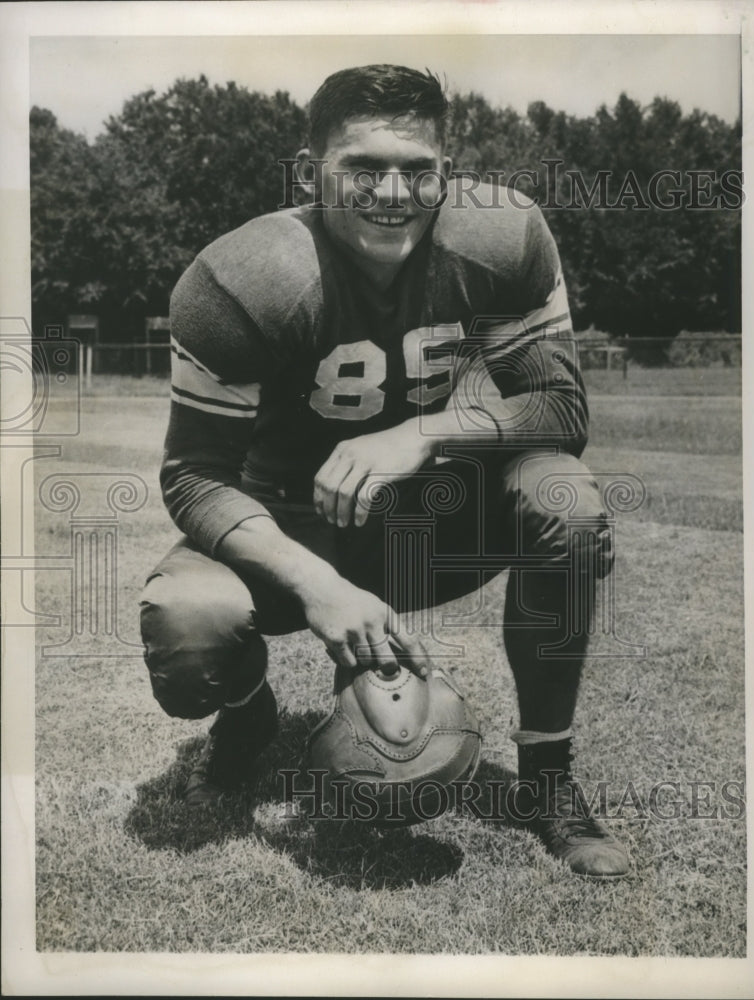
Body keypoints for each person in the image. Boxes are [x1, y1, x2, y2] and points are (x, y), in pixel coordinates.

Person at [140, 64, 629, 877]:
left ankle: (547, 778)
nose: (392, 192)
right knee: (190, 631)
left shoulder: (497, 237)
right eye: (363, 168)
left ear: (447, 171)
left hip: (426, 519)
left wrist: (424, 435)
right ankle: (247, 714)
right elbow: (194, 477)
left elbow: (560, 410)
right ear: (308, 174)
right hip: (286, 517)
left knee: (563, 500)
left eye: (418, 169)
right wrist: (317, 585)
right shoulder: (244, 279)